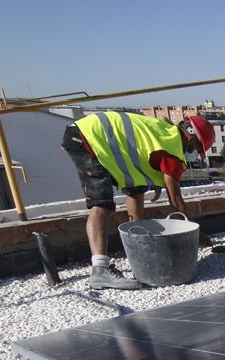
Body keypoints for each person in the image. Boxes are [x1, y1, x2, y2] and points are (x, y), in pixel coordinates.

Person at [61, 112, 215, 289]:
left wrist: (155, 181)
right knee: (101, 204)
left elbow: (145, 154)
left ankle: (138, 246)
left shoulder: (165, 133)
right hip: (87, 138)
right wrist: (196, 233)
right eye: (196, 146)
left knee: (137, 187)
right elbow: (175, 199)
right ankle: (100, 271)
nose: (193, 151)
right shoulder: (173, 149)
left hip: (89, 134)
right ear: (190, 134)